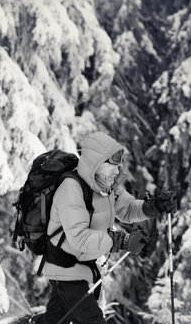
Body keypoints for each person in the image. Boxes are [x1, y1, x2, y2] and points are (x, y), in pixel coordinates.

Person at [23, 131, 177, 324]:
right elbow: (79, 238)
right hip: (65, 266)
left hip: (83, 264)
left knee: (54, 320)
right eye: (111, 166)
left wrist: (154, 207)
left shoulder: (107, 185)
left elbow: (128, 209)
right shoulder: (71, 188)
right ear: (96, 164)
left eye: (118, 166)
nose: (116, 171)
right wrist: (122, 241)